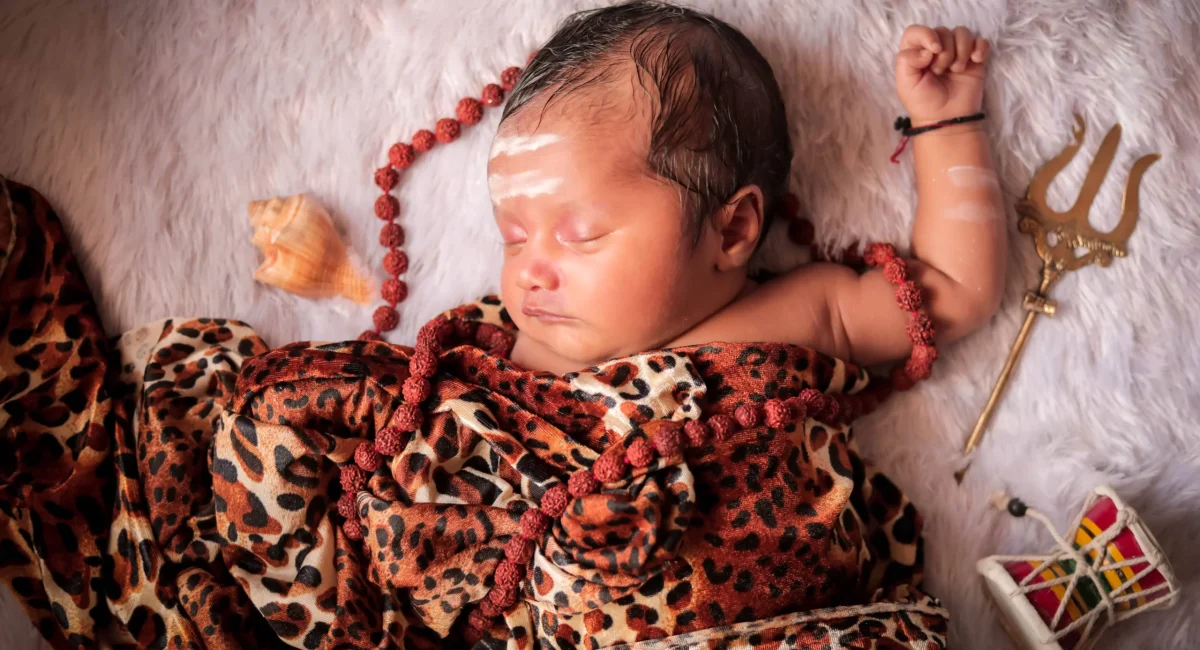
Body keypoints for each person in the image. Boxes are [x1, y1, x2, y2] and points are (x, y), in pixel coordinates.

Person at [489, 1, 1005, 375]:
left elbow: (955, 291)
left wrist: (948, 123)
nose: (528, 272)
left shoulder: (798, 318)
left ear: (732, 229)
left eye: (582, 236)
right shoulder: (494, 362)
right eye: (512, 236)